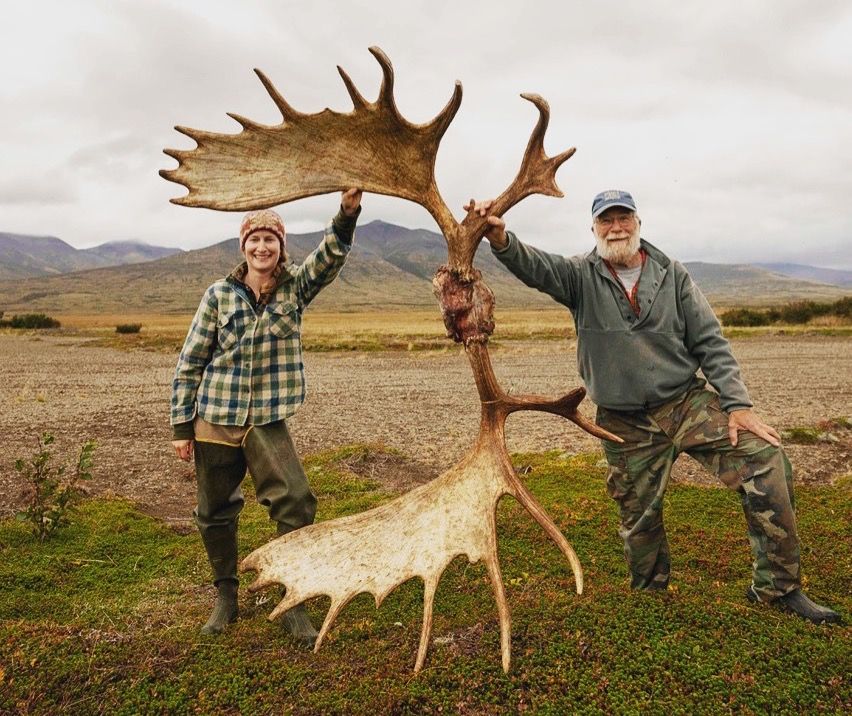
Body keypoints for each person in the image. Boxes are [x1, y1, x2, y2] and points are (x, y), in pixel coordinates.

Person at [464, 190, 841, 624]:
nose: (616, 227)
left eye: (624, 218)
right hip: (624, 420)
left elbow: (710, 342)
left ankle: (778, 588)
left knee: (765, 458)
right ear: (594, 229)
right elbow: (536, 268)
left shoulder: (672, 275)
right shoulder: (578, 276)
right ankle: (650, 596)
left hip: (685, 403)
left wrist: (737, 404)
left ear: (639, 223)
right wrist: (501, 239)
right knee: (637, 516)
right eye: (606, 221)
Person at [171, 189, 363, 640]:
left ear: (280, 248)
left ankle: (291, 599)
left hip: (267, 417)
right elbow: (190, 361)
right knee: (214, 509)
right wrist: (181, 426)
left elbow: (330, 255)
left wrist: (347, 212)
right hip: (215, 416)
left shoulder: (295, 287)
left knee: (296, 499)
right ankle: (226, 597)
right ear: (244, 247)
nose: (262, 247)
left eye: (270, 241)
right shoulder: (219, 295)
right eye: (254, 240)